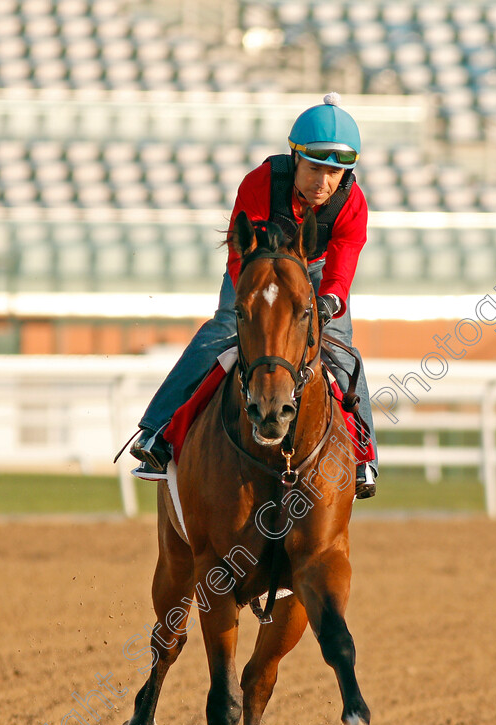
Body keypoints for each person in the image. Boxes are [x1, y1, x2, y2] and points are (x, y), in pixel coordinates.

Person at [130, 93, 378, 498]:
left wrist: (328, 303)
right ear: (294, 158)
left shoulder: (353, 204)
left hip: (314, 273)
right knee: (226, 326)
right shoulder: (260, 183)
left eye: (335, 173)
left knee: (341, 351)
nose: (323, 182)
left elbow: (341, 268)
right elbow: (239, 254)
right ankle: (156, 432)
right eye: (315, 168)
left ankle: (364, 458)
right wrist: (250, 298)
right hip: (256, 267)